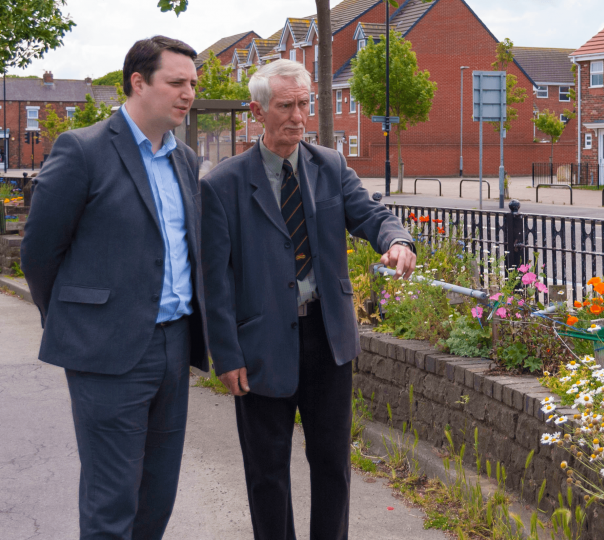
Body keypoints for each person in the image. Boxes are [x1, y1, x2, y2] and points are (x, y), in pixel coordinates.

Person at [200, 59, 416, 540]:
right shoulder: (222, 185)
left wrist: (396, 240)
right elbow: (214, 281)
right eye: (286, 106)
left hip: (328, 339)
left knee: (333, 467)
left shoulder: (330, 165)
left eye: (304, 104)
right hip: (260, 347)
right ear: (258, 111)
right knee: (267, 474)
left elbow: (370, 215)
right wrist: (226, 355)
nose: (298, 116)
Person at [21, 36, 207, 540]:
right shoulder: (81, 150)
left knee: (157, 495)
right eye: (176, 82)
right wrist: (78, 320)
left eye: (192, 83)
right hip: (105, 351)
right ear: (138, 83)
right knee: (111, 500)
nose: (188, 93)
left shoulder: (184, 160)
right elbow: (38, 255)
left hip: (174, 344)